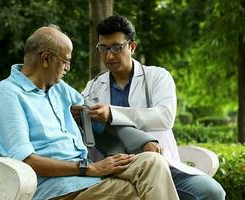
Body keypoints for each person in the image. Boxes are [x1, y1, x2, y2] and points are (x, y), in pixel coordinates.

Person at [0, 24, 179, 200]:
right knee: (136, 194)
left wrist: (144, 142)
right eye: (65, 61)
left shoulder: (61, 90)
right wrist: (88, 168)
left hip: (87, 179)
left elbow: (99, 121)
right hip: (56, 190)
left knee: (152, 162)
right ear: (46, 59)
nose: (68, 68)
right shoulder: (8, 95)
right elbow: (25, 160)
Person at [75, 15, 226, 200]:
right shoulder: (93, 86)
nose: (109, 55)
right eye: (103, 48)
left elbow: (165, 116)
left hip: (160, 162)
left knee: (212, 192)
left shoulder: (158, 77)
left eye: (116, 48)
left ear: (132, 46)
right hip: (115, 165)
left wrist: (112, 113)